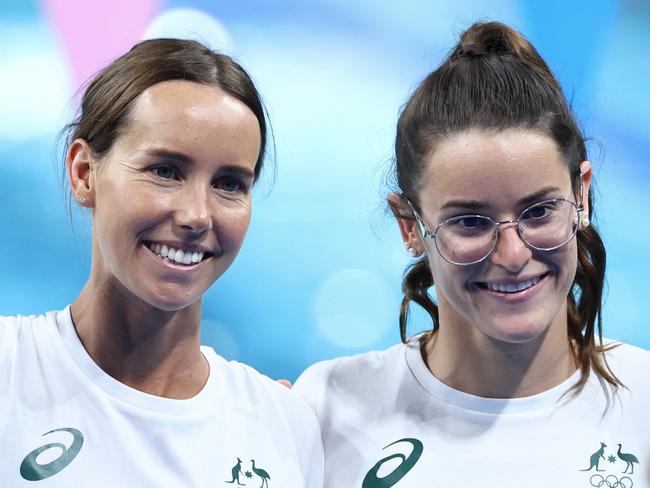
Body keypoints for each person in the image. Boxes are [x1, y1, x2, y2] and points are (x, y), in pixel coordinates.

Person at [294, 21, 649, 487]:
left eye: (540, 210)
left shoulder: (643, 402)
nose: (513, 253)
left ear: (580, 197)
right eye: (469, 222)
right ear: (410, 225)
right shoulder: (328, 410)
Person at [0, 38, 323, 487]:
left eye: (229, 183)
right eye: (165, 171)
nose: (196, 215)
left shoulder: (283, 426)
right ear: (84, 172)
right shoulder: (8, 368)